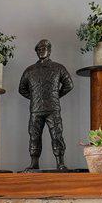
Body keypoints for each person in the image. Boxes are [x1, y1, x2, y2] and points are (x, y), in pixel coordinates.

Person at [17, 39, 74, 170]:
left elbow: (69, 85)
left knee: (57, 135)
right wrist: (35, 98)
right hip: (36, 110)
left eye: (44, 48)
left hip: (53, 109)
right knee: (34, 135)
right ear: (36, 52)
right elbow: (22, 89)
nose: (41, 51)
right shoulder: (30, 70)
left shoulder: (58, 68)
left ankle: (60, 163)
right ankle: (34, 163)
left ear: (50, 50)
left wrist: (55, 96)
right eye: (39, 49)